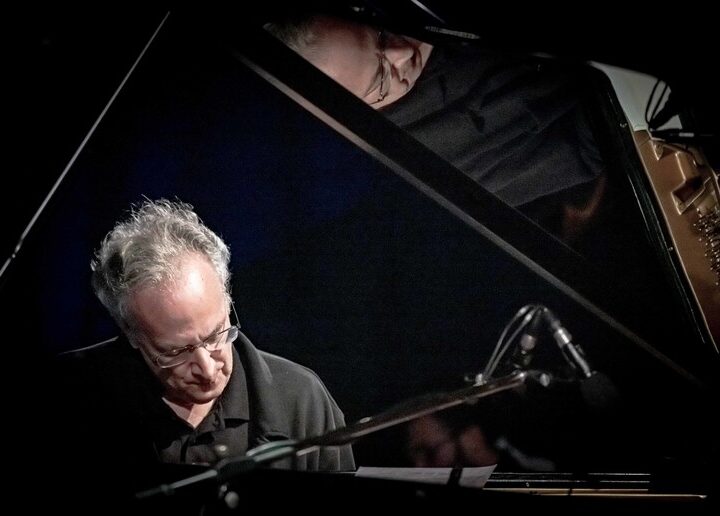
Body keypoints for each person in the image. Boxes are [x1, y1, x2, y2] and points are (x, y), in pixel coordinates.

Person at [53, 198, 354, 503]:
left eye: (216, 334)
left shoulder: (302, 400)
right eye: (175, 351)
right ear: (131, 334)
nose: (208, 370)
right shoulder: (70, 394)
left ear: (228, 300)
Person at [266, 12, 607, 238]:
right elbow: (580, 151)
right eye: (382, 77)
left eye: (382, 36)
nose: (402, 53)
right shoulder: (424, 168)